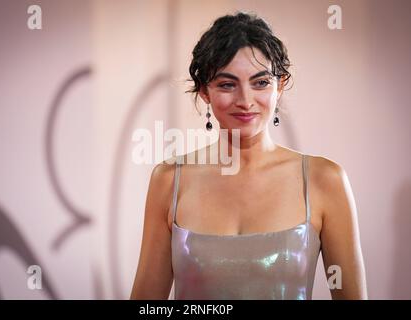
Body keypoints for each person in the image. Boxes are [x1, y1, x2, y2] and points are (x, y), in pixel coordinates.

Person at [130, 11, 367, 300]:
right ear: (205, 91)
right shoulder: (169, 181)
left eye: (261, 82)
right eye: (227, 84)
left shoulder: (324, 181)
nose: (245, 101)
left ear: (280, 85)